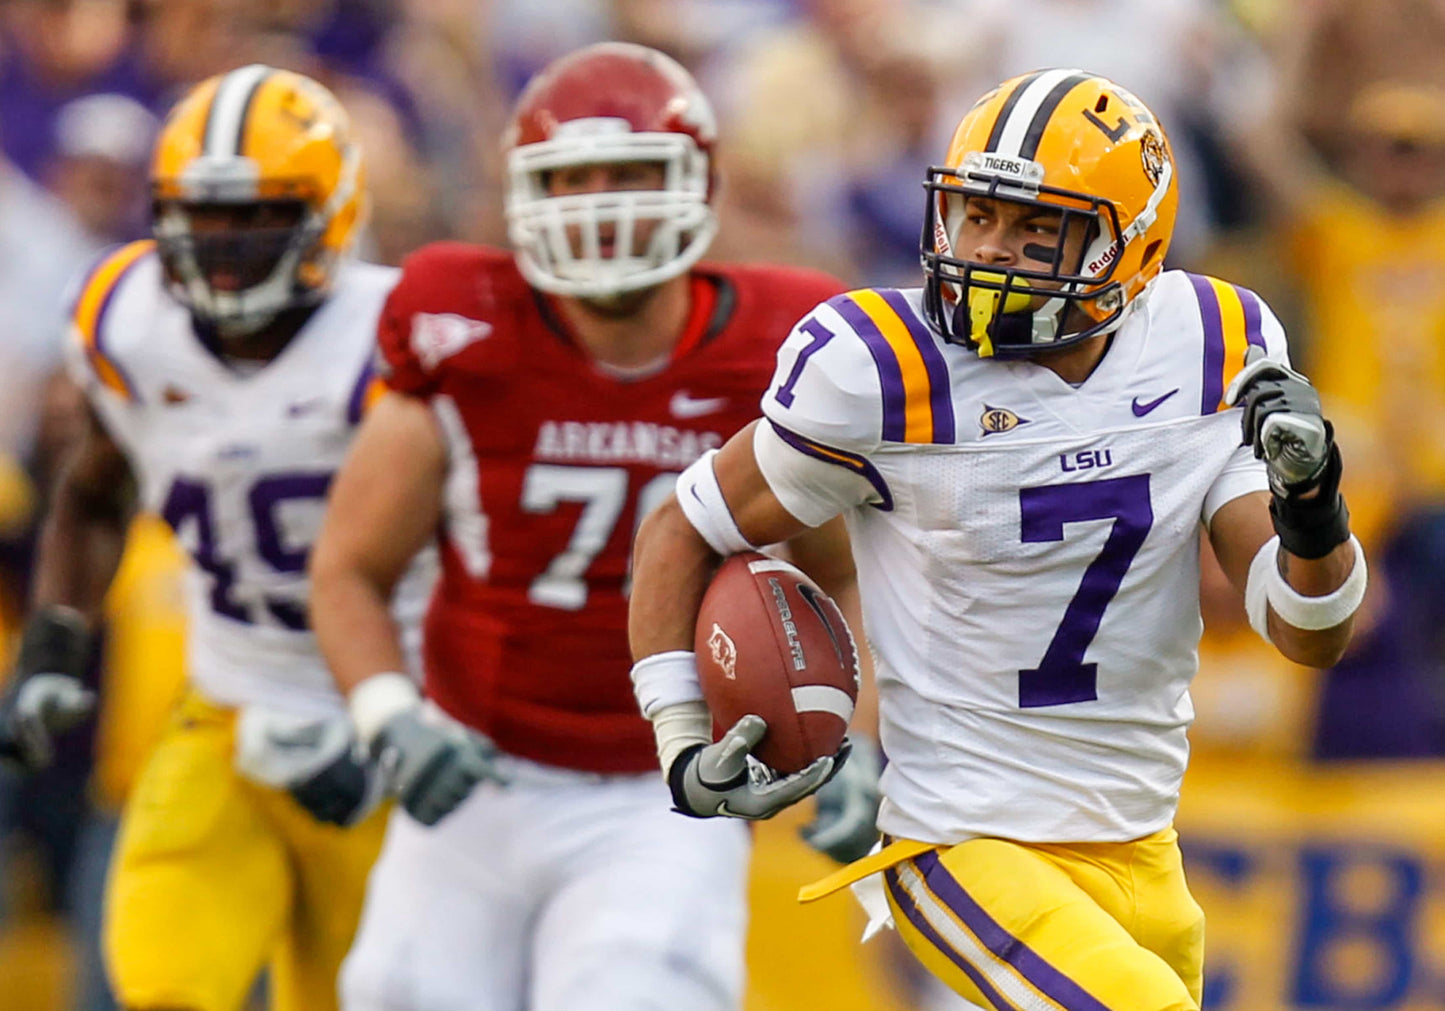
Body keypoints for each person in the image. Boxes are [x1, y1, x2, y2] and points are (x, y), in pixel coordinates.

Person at [627, 68, 1366, 1011]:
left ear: (1130, 245)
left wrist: (1311, 501)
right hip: (960, 843)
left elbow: (1308, 629)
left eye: (1035, 228)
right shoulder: (884, 370)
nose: (989, 248)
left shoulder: (1212, 341)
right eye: (975, 214)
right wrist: (678, 731)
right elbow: (687, 523)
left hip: (1143, 845)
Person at [307, 41, 850, 1011]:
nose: (600, 206)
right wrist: (390, 717)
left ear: (698, 182)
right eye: (572, 178)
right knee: (400, 993)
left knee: (632, 991)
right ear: (525, 189)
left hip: (667, 785)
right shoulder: (464, 326)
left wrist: (860, 742)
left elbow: (840, 579)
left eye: (630, 174)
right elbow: (349, 565)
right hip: (477, 765)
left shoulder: (777, 349)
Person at [0, 64, 422, 1011]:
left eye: (258, 214)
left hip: (391, 724)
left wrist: (411, 717)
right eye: (202, 214)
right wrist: (56, 643)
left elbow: (484, 551)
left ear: (332, 211)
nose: (224, 243)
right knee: (160, 983)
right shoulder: (128, 319)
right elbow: (95, 491)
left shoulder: (402, 338)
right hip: (229, 705)